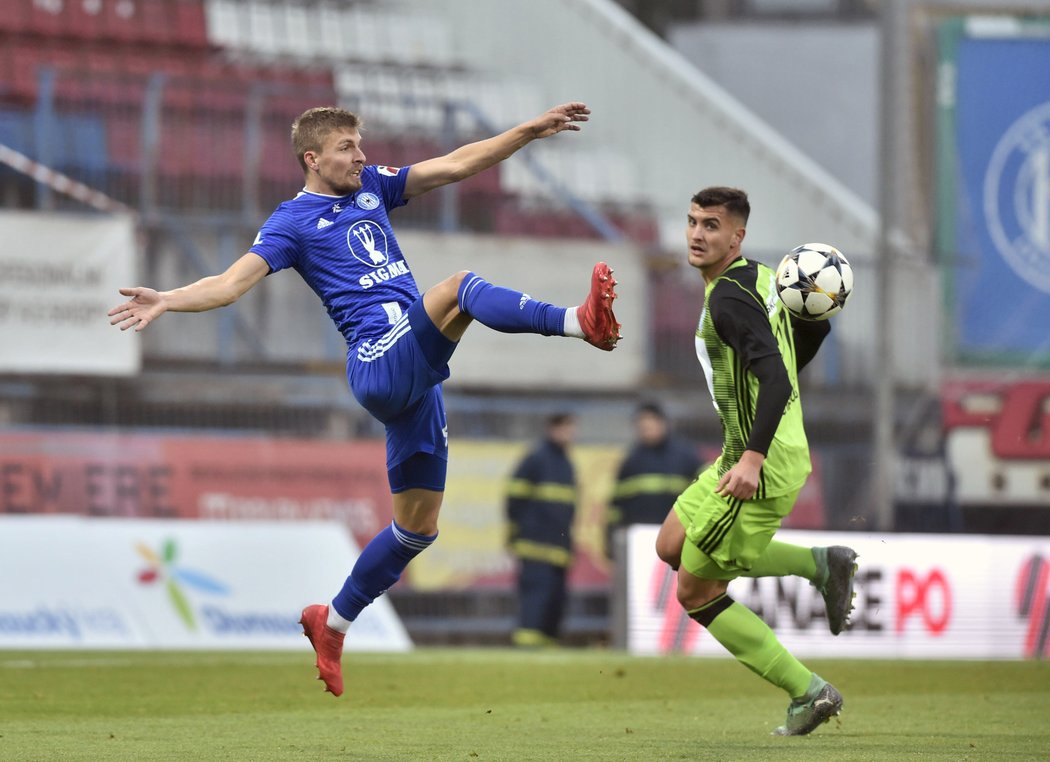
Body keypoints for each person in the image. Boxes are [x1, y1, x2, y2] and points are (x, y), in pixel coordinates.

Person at [108, 102, 621, 697]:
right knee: (458, 290)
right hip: (379, 359)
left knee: (418, 529)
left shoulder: (373, 188)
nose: (361, 155)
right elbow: (229, 282)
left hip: (414, 378)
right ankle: (580, 323)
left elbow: (455, 164)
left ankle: (334, 621)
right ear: (313, 157)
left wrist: (528, 131)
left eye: (360, 144)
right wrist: (167, 298)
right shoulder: (292, 223)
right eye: (349, 146)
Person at [652, 187, 857, 736]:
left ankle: (808, 692)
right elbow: (810, 332)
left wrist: (753, 457)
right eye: (692, 221)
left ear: (736, 236)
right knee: (669, 544)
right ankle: (820, 564)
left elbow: (774, 373)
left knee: (696, 593)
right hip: (738, 451)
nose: (697, 234)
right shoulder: (765, 277)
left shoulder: (727, 299)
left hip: (758, 462)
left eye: (712, 226)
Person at [505, 412, 578, 647]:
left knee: (555, 600)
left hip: (558, 547)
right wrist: (517, 533)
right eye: (562, 428)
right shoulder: (536, 458)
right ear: (550, 429)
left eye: (570, 428)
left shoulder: (566, 463)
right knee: (535, 599)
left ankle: (547, 645)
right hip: (535, 545)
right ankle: (526, 647)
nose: (567, 433)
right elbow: (514, 499)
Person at [605, 401, 700, 557]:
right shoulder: (631, 461)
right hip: (639, 541)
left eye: (650, 425)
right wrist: (611, 538)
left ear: (663, 423)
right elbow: (616, 507)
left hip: (679, 539)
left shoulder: (686, 457)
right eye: (642, 426)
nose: (646, 430)